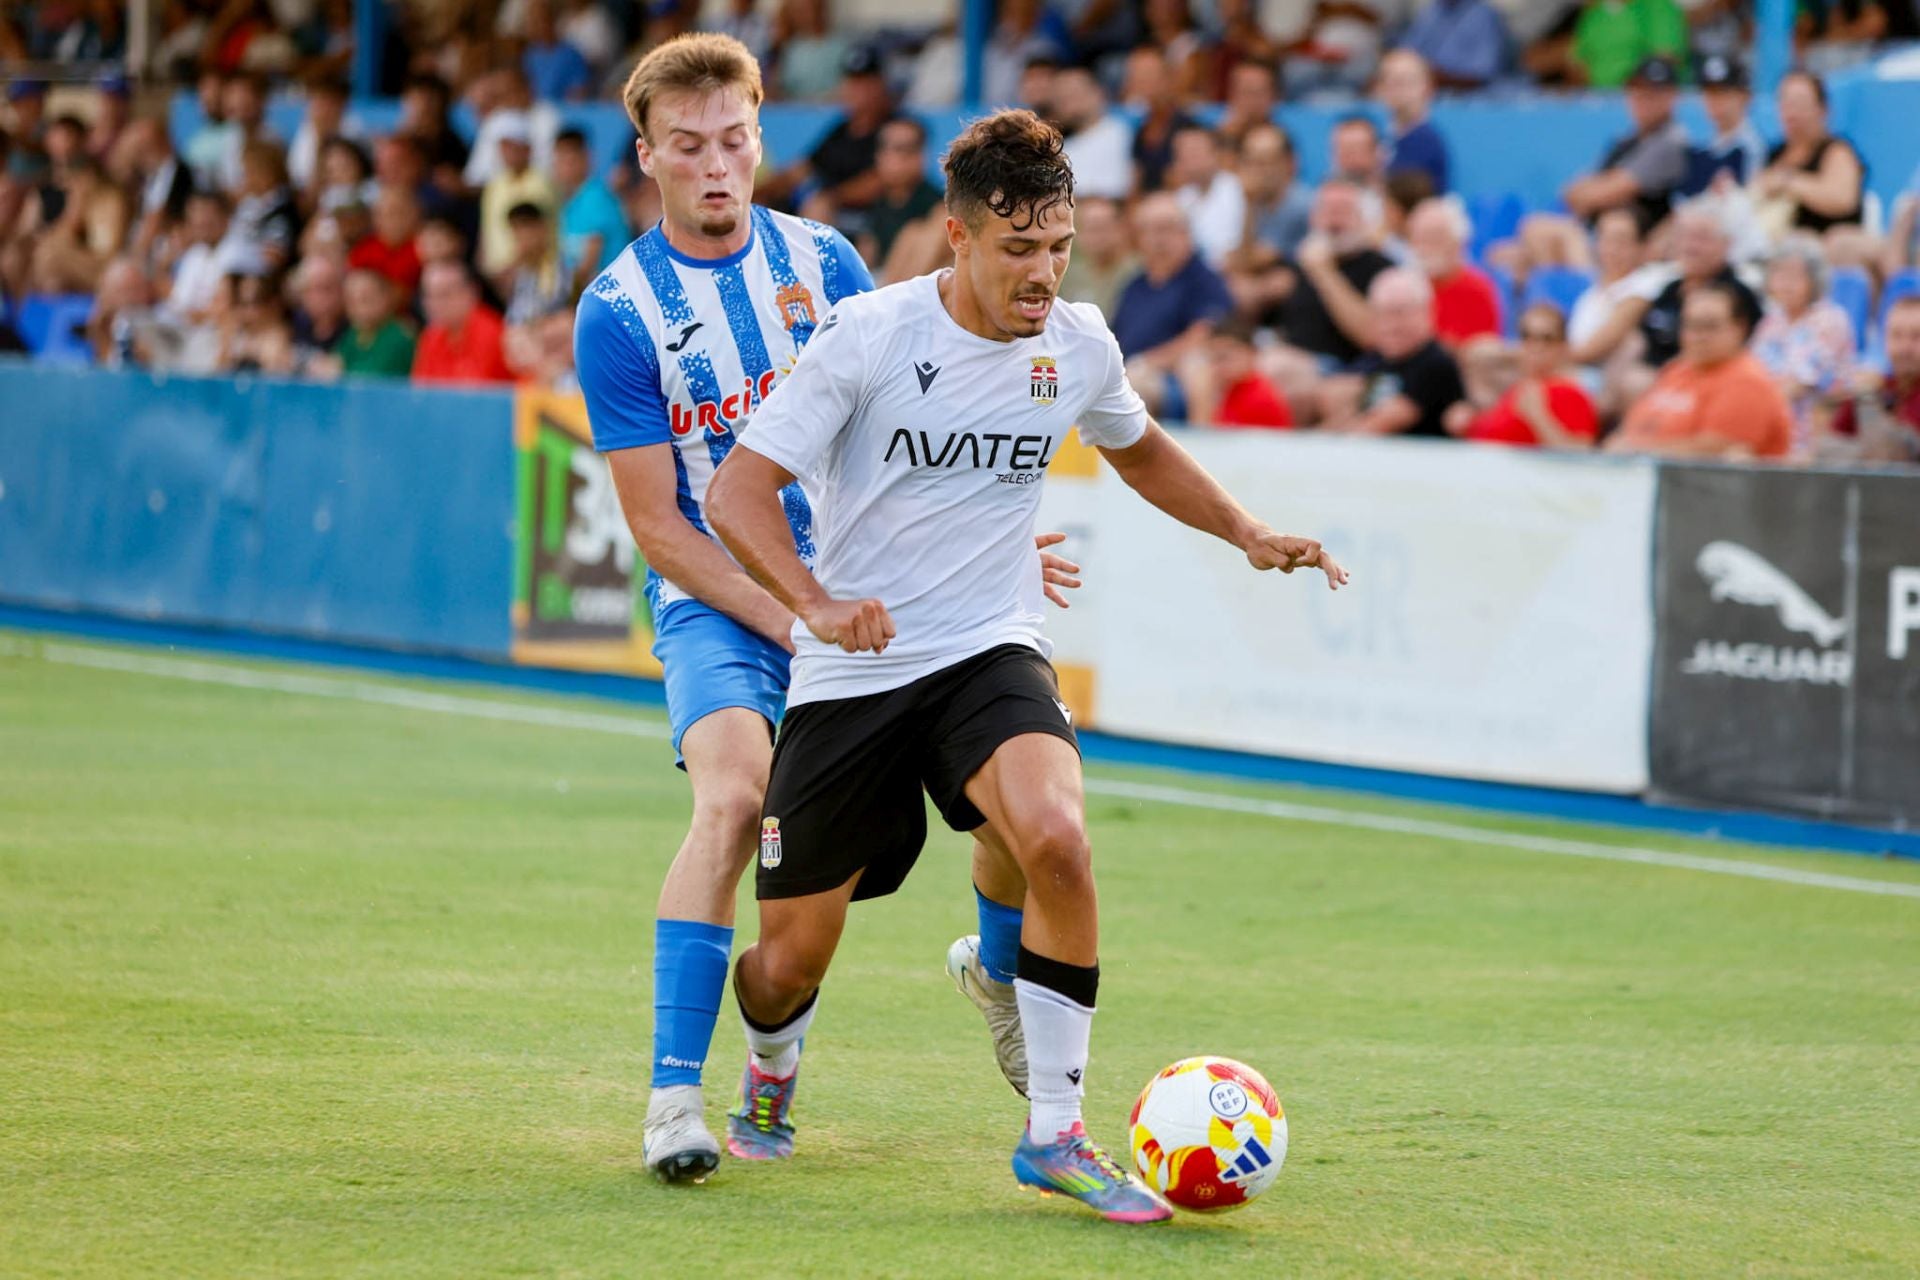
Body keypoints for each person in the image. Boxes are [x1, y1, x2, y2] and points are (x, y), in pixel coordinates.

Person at [701, 106, 1346, 1223]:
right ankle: (771, 1065)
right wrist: (814, 603)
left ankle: (1054, 1128)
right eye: (1018, 250)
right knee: (786, 958)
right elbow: (736, 492)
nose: (1043, 273)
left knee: (1056, 834)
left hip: (989, 644)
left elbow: (1139, 448)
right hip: (853, 672)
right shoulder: (868, 335)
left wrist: (1244, 529)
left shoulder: (1078, 342)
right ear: (956, 236)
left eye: (1058, 246)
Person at [569, 33, 1079, 1187]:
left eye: (735, 141)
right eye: (688, 146)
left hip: (873, 591)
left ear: (761, 140)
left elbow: (910, 411)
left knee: (1019, 799)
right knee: (737, 796)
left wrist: (988, 527)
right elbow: (662, 525)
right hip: (726, 604)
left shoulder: (827, 261)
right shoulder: (618, 310)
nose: (716, 164)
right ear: (647, 155)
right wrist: (788, 613)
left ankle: (999, 971)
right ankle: (673, 1094)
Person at [1609, 282, 1792, 458]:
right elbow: (1631, 429)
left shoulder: (1747, 381)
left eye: (1710, 326)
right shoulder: (1677, 369)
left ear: (1739, 327)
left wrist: (1637, 450)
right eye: (1691, 325)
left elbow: (1715, 452)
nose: (1698, 336)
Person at [1111, 193, 1234, 416]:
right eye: (1148, 231)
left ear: (1186, 233)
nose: (1158, 240)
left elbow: (1205, 334)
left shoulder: (1203, 279)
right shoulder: (1134, 286)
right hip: (1132, 369)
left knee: (1192, 365)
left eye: (1166, 229)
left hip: (1175, 375)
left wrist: (1149, 362)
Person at [1318, 268, 1467, 435]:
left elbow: (1379, 426)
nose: (1391, 325)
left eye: (1400, 313)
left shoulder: (1435, 363)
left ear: (1426, 312)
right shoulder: (1375, 360)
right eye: (1382, 314)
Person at [1749, 235, 1854, 451]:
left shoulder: (1830, 319)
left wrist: (1757, 407)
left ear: (1814, 280)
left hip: (1812, 427)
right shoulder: (1770, 322)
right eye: (1779, 274)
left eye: (1796, 276)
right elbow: (1753, 373)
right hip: (1770, 417)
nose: (1786, 283)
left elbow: (1802, 382)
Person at [1563, 56, 1690, 231]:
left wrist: (1593, 193)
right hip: (1602, 235)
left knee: (1543, 230)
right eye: (1637, 91)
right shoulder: (1625, 141)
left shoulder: (1671, 142)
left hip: (1637, 243)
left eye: (1651, 94)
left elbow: (1604, 194)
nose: (1642, 100)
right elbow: (1572, 192)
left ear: (1671, 97)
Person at [1448, 304, 1599, 446]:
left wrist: (1539, 417)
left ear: (1563, 346)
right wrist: (1469, 424)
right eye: (1527, 336)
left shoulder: (1571, 393)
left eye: (1547, 338)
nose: (1536, 346)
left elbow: (1581, 455)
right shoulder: (1521, 388)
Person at [1754, 71, 1865, 237]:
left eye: (1800, 103)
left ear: (1822, 109)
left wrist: (1789, 182)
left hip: (1824, 244)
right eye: (1786, 102)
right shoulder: (1773, 154)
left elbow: (1843, 200)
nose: (1792, 112)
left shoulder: (1837, 151)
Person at [1827, 295, 1920, 464]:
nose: (1905, 347)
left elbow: (1896, 454)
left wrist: (1868, 400)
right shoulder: (1879, 385)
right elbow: (1829, 445)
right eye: (1896, 336)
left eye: (1916, 337)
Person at [857, 116, 947, 284]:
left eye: (904, 149)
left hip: (913, 288)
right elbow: (866, 257)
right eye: (884, 147)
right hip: (879, 283)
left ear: (920, 155)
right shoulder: (879, 202)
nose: (889, 156)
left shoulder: (938, 206)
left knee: (913, 233)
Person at [1405, 198, 1501, 345]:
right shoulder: (1403, 287)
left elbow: (1481, 350)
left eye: (1435, 238)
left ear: (1459, 243)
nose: (1424, 247)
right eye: (1418, 238)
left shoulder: (1477, 290)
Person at [478, 113, 558, 276]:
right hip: (498, 277)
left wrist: (509, 271)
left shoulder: (541, 183)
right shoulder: (494, 186)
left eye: (512, 146)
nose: (507, 152)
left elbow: (535, 237)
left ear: (527, 148)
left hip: (534, 273)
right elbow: (486, 232)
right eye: (503, 146)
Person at [412, 259, 513, 384]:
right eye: (429, 296)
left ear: (470, 292)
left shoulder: (492, 334)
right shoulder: (430, 336)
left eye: (444, 294)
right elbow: (420, 391)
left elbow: (478, 390)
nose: (435, 304)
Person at [1183, 318, 1294, 428]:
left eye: (1224, 357)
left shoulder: (1258, 397)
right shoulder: (1231, 389)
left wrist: (1201, 399)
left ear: (1251, 353)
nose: (1217, 367)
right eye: (1212, 359)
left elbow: (1206, 437)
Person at [553, 127, 630, 281]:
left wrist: (569, 299)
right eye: (560, 160)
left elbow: (588, 263)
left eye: (570, 161)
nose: (564, 168)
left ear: (587, 158)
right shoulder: (570, 202)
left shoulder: (596, 199)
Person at [1682, 54, 1764, 197]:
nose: (1714, 100)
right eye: (1709, 92)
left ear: (1745, 96)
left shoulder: (1750, 149)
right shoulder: (1702, 150)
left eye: (1723, 92)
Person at [1166, 124, 1245, 269]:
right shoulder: (1179, 199)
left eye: (1195, 152)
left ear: (1215, 154)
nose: (1189, 160)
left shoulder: (1238, 189)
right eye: (1182, 154)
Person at [1049, 64, 1133, 201]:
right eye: (1062, 98)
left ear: (1098, 93)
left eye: (1075, 93)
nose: (1069, 102)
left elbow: (1119, 189)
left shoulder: (1123, 133)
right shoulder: (1057, 150)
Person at [1375, 50, 1452, 194]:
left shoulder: (1425, 140)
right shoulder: (1384, 139)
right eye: (1389, 81)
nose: (1395, 89)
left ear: (1428, 88)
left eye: (1404, 81)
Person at [1397, 0, 1507, 91]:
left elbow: (1481, 76)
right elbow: (1406, 54)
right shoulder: (1431, 11)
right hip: (1423, 91)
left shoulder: (1483, 15)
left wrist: (1435, 77)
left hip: (1468, 101)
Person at [1056, 195, 1137, 316]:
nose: (1096, 237)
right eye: (1089, 229)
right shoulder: (1070, 276)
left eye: (1102, 228)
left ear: (1120, 229)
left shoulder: (1136, 273)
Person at [335, 268, 417, 379]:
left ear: (386, 297)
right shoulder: (354, 333)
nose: (357, 308)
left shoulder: (399, 337)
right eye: (351, 301)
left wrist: (339, 371)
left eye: (366, 299)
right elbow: (333, 362)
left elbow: (372, 379)